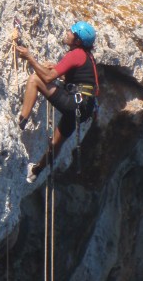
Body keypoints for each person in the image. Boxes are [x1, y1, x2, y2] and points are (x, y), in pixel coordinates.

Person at [16, 21, 99, 183]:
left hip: (74, 103)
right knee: (55, 143)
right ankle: (36, 171)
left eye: (71, 32)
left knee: (34, 79)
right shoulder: (87, 57)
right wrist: (55, 69)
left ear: (78, 41)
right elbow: (77, 79)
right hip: (84, 108)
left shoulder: (76, 54)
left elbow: (46, 78)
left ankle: (21, 120)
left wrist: (30, 58)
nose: (67, 32)